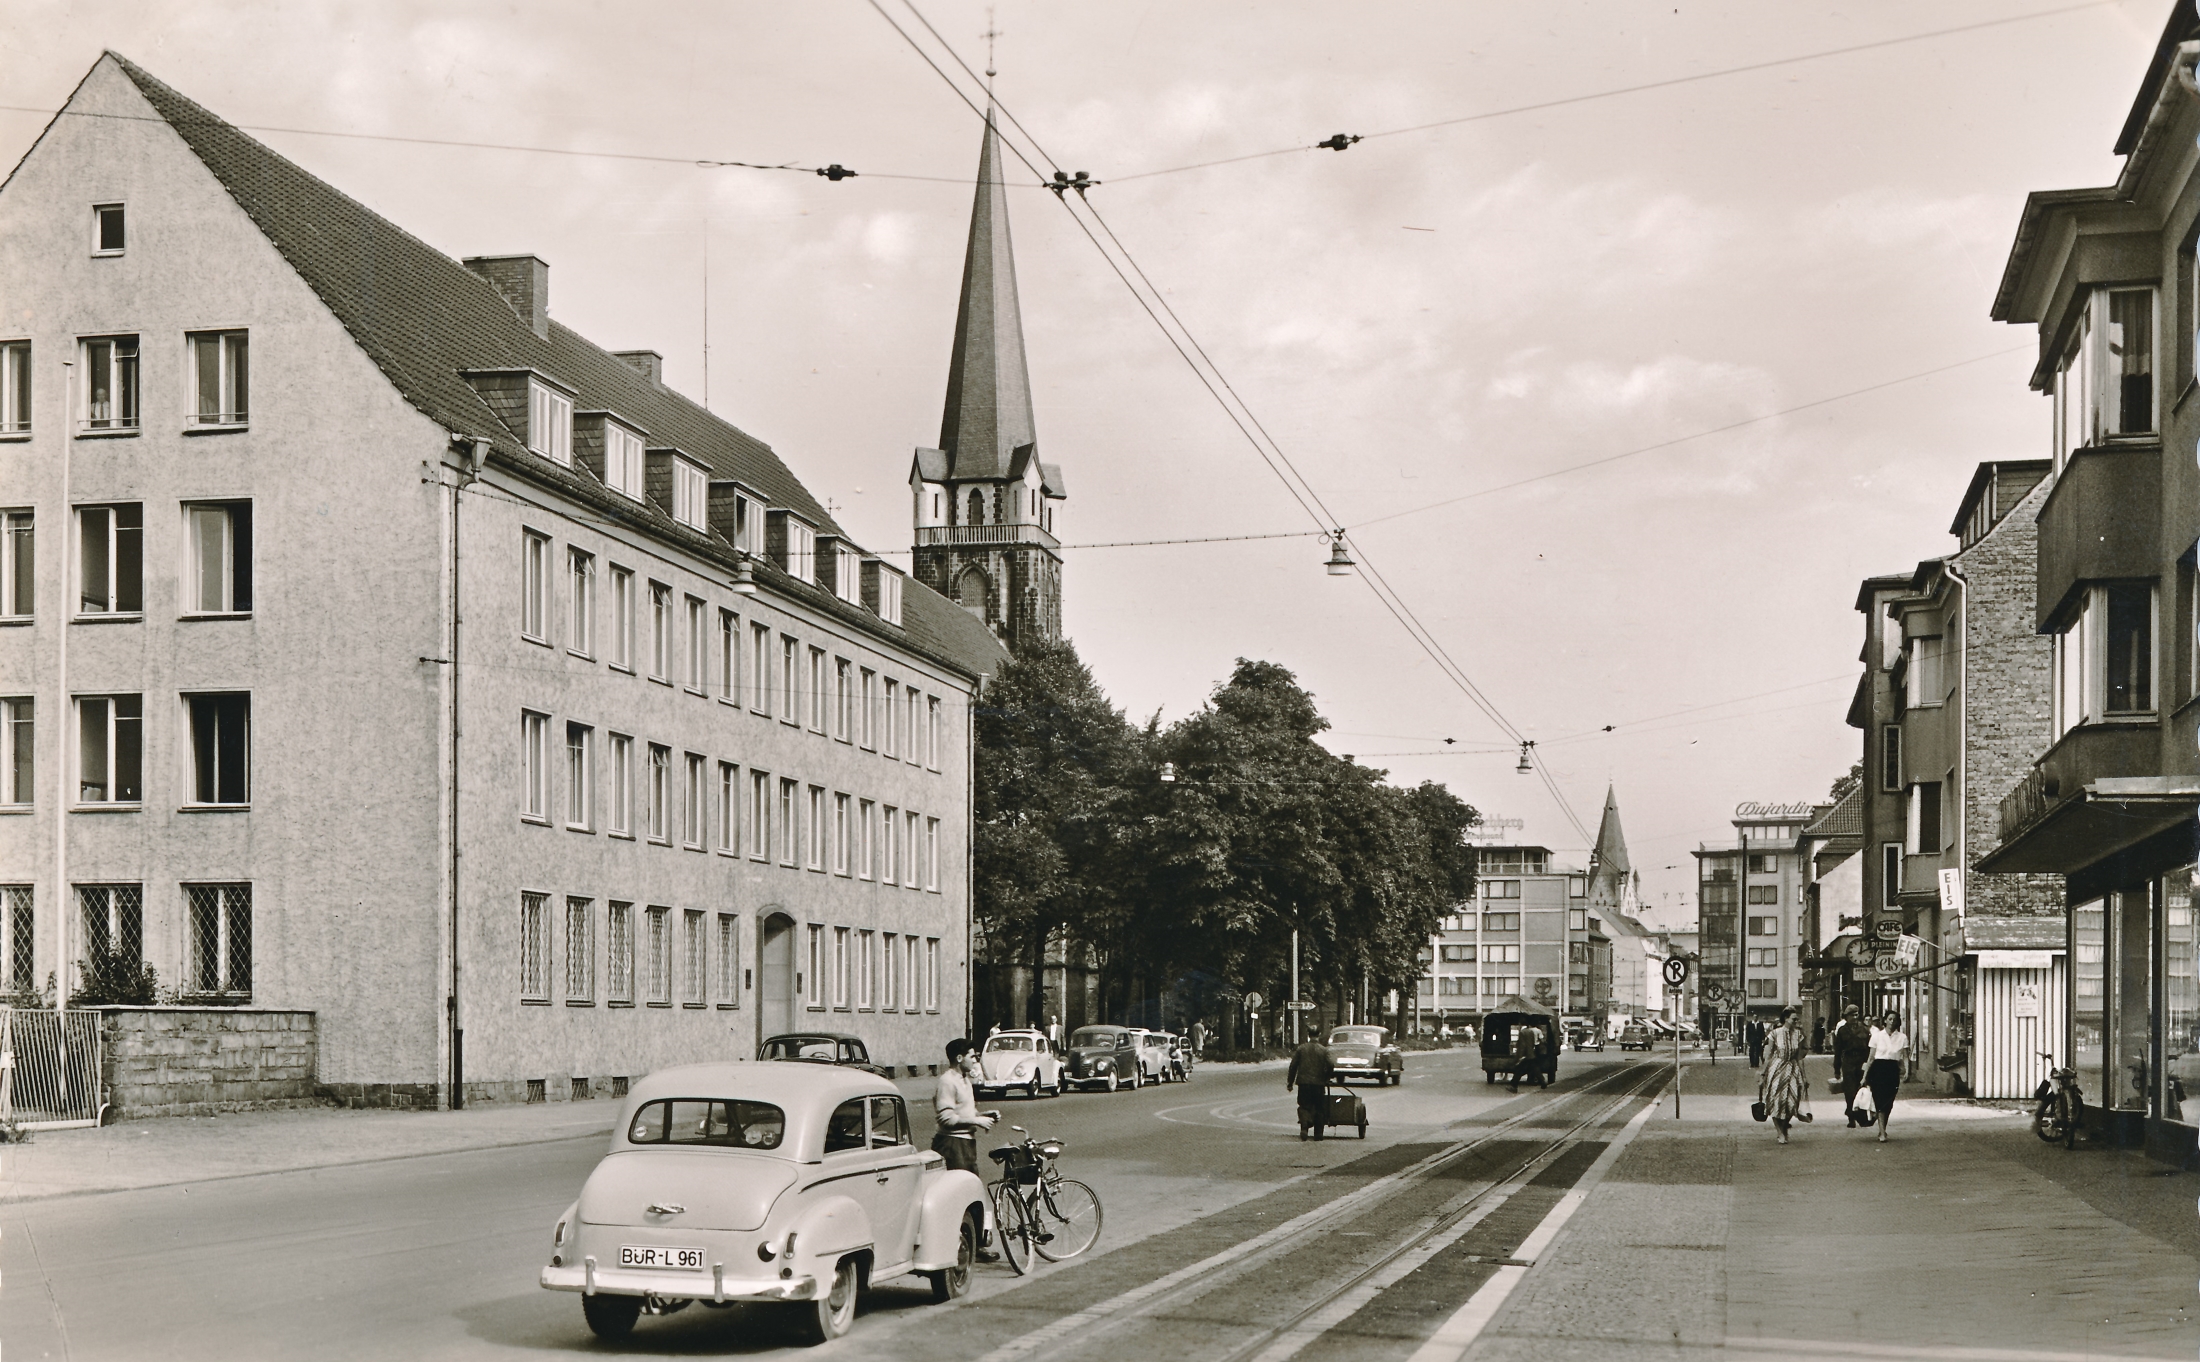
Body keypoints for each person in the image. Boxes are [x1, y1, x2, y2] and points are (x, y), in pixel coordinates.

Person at [933, 1039, 1000, 1260]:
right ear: (959, 1058)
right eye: (972, 1056)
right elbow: (946, 1117)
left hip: (966, 1144)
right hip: (953, 1146)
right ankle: (957, 1246)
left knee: (974, 1193)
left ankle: (977, 1244)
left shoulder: (965, 1080)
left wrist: (983, 1116)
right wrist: (977, 1121)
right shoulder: (947, 1081)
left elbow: (966, 1111)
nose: (975, 1060)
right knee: (960, 1195)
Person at [1759, 1007, 1810, 1144]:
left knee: (1792, 1102)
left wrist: (1804, 1077)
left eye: (1796, 1019)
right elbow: (1768, 1054)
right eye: (1793, 1019)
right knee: (1776, 1101)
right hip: (1777, 1069)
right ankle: (1780, 1131)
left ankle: (1785, 1126)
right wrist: (1763, 1073)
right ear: (1786, 1019)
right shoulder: (1774, 1034)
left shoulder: (1798, 1035)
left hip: (1792, 1068)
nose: (1796, 1021)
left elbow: (1800, 1057)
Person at [1866, 1011, 1909, 1143]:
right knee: (1879, 1100)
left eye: (1894, 1019)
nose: (1892, 1022)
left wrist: (1907, 1071)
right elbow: (1871, 1058)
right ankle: (1882, 1132)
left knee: (1888, 1102)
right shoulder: (1877, 1036)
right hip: (1878, 1069)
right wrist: (1865, 1076)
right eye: (1889, 1019)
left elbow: (1905, 1056)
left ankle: (1882, 1128)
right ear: (1885, 1021)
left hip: (1892, 1070)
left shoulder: (1902, 1037)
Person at [1286, 1032, 1334, 1140]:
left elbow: (1293, 1066)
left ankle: (1304, 1127)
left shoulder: (1301, 1049)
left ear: (1309, 1035)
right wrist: (1326, 1077)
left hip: (1304, 1083)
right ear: (1319, 1035)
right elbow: (1331, 1064)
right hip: (1319, 1083)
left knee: (1304, 1105)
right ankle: (1318, 1133)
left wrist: (1290, 1082)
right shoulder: (1324, 1050)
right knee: (1319, 1107)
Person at [1832, 1005, 1872, 1127]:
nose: (1854, 1017)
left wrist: (1868, 1065)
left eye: (1856, 1015)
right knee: (1849, 1091)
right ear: (1846, 1017)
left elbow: (1869, 1050)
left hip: (1861, 1062)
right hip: (1848, 1062)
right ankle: (1851, 1117)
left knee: (1862, 1090)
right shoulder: (1842, 1031)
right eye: (1851, 1015)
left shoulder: (1865, 1030)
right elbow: (1838, 1051)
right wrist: (1837, 1069)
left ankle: (1862, 1117)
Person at [1506, 1022, 1541, 1094]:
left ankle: (1514, 1086)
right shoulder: (1531, 1032)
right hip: (1531, 1054)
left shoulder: (1523, 1032)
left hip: (1525, 1055)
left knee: (1518, 1071)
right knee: (1535, 1069)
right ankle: (1543, 1082)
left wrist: (1519, 1056)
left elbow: (1522, 1046)